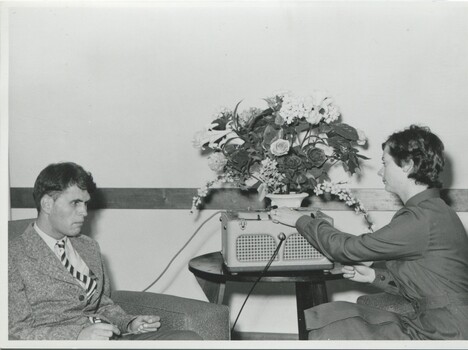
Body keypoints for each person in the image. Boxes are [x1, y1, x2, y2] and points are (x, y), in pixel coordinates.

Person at [271, 125, 468, 340]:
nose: (381, 171)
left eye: (385, 163)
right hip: (441, 322)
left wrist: (301, 221)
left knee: (337, 328)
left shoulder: (420, 218)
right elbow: (429, 281)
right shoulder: (433, 210)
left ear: (407, 165)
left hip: (445, 331)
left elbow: (347, 249)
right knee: (337, 319)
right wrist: (374, 276)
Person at [8, 162, 202, 341]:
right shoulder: (12, 256)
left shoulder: (88, 246)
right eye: (75, 203)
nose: (84, 212)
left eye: (85, 203)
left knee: (189, 340)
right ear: (47, 204)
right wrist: (78, 336)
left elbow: (103, 305)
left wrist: (130, 323)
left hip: (111, 339)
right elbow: (15, 332)